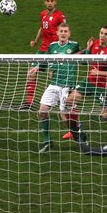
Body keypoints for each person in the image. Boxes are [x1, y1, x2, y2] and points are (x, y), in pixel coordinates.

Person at [64, 25, 107, 140]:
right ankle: (77, 131)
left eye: (106, 34)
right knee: (69, 101)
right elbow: (86, 62)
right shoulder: (95, 43)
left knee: (106, 115)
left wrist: (99, 73)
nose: (102, 36)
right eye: (101, 33)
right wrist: (88, 48)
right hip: (89, 81)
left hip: (101, 86)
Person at [36, 23, 82, 153]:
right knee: (42, 111)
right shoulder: (52, 46)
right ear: (57, 33)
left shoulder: (74, 45)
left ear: (69, 33)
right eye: (61, 31)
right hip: (54, 84)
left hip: (67, 84)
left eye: (65, 31)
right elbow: (47, 62)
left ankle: (79, 136)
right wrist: (37, 68)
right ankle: (47, 141)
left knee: (65, 116)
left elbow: (84, 58)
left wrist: (89, 48)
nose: (63, 33)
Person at [21, 0, 67, 110]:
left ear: (55, 2)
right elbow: (42, 28)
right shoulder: (43, 14)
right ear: (44, 2)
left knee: (53, 75)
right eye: (48, 1)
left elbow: (64, 31)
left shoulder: (60, 16)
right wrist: (35, 41)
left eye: (52, 1)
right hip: (43, 49)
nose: (50, 3)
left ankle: (55, 100)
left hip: (54, 50)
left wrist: (62, 47)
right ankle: (29, 102)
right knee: (31, 72)